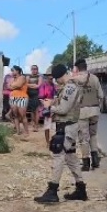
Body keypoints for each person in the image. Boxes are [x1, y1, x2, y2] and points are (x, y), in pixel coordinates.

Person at [34, 64, 87, 203]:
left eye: (55, 79)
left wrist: (49, 107)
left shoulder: (70, 87)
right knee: (70, 157)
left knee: (58, 155)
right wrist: (53, 102)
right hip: (68, 126)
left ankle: (52, 191)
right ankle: (81, 189)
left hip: (67, 126)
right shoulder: (70, 85)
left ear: (59, 76)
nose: (55, 82)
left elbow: (63, 109)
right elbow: (64, 104)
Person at [73, 58, 103, 171]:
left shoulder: (75, 80)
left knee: (83, 138)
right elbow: (101, 95)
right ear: (86, 66)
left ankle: (86, 163)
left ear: (77, 68)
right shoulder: (95, 78)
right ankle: (96, 161)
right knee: (93, 135)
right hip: (95, 110)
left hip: (82, 112)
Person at [38, 70, 58, 147]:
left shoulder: (54, 86)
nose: (50, 77)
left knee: (54, 126)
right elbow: (40, 98)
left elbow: (57, 97)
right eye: (49, 75)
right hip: (46, 106)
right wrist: (46, 105)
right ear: (46, 77)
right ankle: (47, 142)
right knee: (47, 126)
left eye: (51, 76)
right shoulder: (43, 86)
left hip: (54, 106)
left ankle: (53, 141)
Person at [9, 65, 29, 136]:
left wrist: (12, 86)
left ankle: (26, 132)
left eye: (13, 70)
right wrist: (13, 86)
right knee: (15, 116)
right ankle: (18, 131)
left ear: (17, 71)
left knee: (23, 115)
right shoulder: (13, 79)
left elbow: (19, 85)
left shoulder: (22, 77)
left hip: (22, 97)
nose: (12, 72)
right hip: (13, 97)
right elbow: (8, 86)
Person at [26, 65, 42, 132]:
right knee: (32, 111)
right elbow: (26, 84)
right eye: (32, 69)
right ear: (31, 69)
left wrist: (31, 85)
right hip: (29, 95)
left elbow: (38, 86)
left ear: (37, 69)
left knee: (36, 111)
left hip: (36, 95)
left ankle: (36, 126)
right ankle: (33, 124)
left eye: (35, 69)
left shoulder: (39, 76)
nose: (34, 70)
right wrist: (33, 85)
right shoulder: (28, 76)